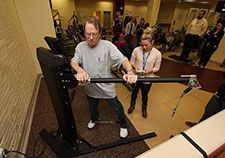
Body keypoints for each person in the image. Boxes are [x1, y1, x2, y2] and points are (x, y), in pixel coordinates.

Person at [71, 17, 137, 138]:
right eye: (88, 34)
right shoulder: (80, 46)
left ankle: (123, 124)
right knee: (92, 107)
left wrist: (130, 72)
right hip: (90, 86)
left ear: (100, 34)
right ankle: (94, 119)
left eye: (94, 34)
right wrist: (79, 69)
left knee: (117, 107)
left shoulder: (107, 46)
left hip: (106, 87)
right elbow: (74, 61)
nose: (91, 37)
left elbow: (123, 59)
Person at [128, 28, 162, 118]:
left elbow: (157, 68)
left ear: (152, 42)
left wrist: (150, 70)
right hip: (136, 76)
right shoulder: (136, 50)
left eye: (146, 45)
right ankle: (132, 105)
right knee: (134, 92)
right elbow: (131, 62)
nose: (143, 47)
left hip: (148, 77)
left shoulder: (157, 54)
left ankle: (144, 108)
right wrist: (135, 67)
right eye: (142, 45)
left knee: (144, 94)